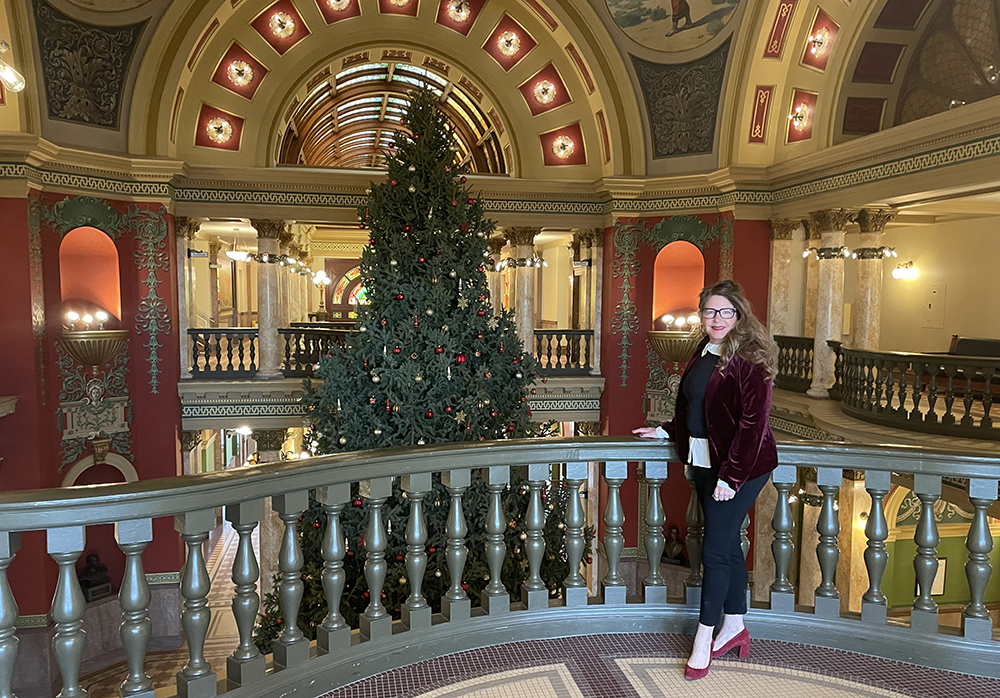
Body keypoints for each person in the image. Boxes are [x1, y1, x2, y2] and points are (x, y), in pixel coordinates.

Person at [633, 279, 777, 680]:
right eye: (710, 312)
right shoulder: (704, 348)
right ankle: (735, 626)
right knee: (727, 543)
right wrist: (666, 430)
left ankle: (704, 639)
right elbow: (693, 405)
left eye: (725, 312)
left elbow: (752, 425)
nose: (716, 319)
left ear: (739, 315)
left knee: (715, 551)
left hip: (742, 467)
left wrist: (730, 478)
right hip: (703, 460)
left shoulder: (751, 358)